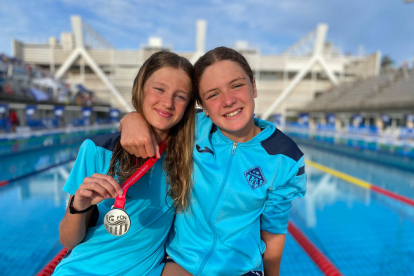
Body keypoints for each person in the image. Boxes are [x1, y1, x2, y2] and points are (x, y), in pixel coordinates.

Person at [119, 47, 307, 275]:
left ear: (254, 87)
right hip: (180, 262)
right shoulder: (189, 129)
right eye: (213, 95)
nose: (228, 100)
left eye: (237, 85)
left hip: (240, 270)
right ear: (203, 106)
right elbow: (155, 117)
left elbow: (274, 229)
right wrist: (131, 118)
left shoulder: (284, 156)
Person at [53, 51, 196, 276]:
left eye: (180, 96)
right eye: (159, 89)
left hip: (148, 269)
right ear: (140, 88)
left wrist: (133, 117)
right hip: (83, 270)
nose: (168, 102)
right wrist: (79, 205)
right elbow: (68, 240)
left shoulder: (186, 154)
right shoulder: (97, 149)